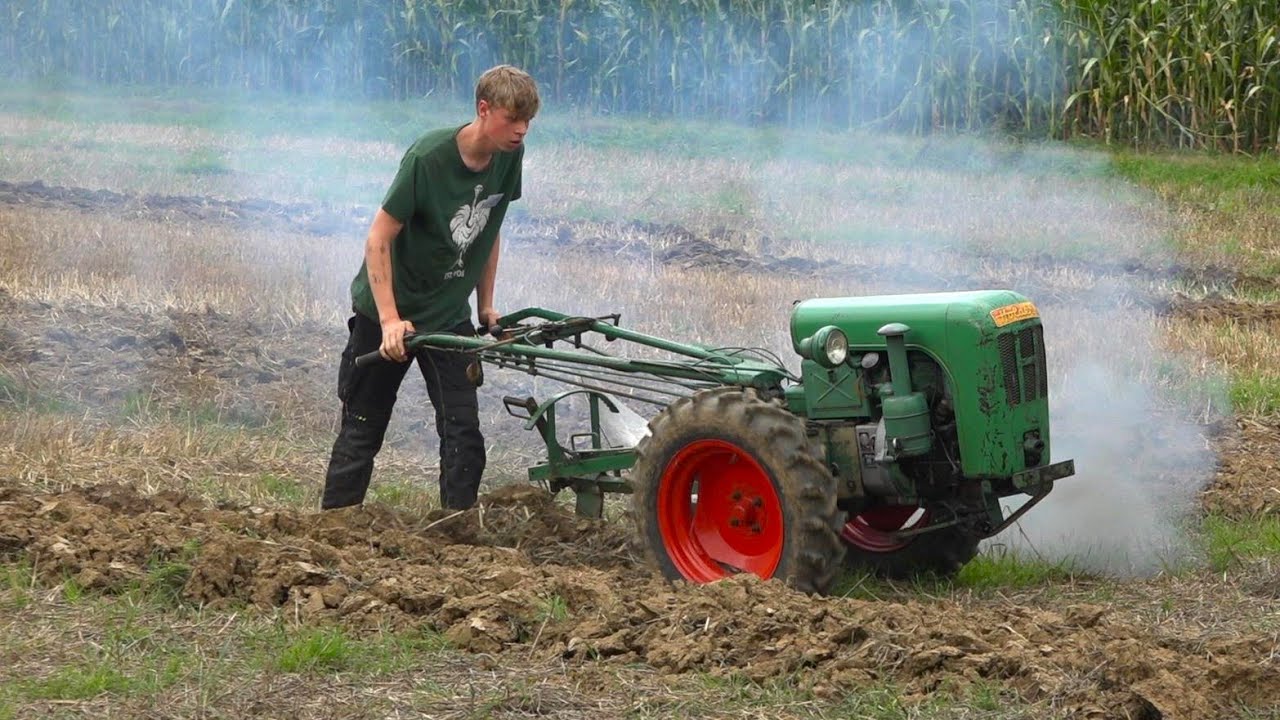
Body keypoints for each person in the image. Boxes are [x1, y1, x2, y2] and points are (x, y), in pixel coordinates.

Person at [322, 65, 539, 511]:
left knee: (463, 429)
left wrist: (487, 307)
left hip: (447, 309)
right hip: (387, 308)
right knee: (364, 424)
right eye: (511, 119)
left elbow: (489, 226)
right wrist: (388, 320)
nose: (520, 130)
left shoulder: (509, 154)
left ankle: (455, 535)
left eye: (527, 121)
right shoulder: (428, 158)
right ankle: (335, 525)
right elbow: (378, 237)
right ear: (483, 110)